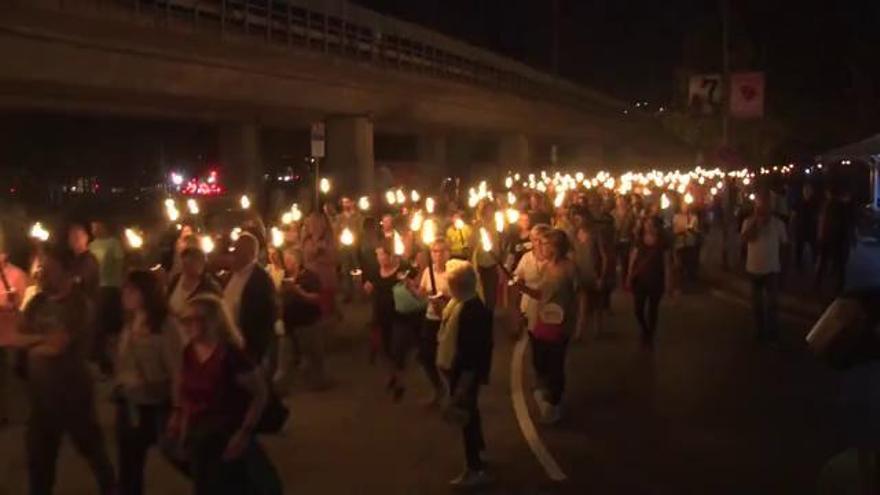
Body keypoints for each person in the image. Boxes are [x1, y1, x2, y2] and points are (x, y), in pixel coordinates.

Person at [6, 243, 117, 495]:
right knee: (39, 465)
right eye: (42, 267)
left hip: (74, 396)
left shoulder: (79, 304)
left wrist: (32, 340)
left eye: (50, 268)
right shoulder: (36, 302)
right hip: (41, 400)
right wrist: (40, 340)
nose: (42, 273)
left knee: (94, 453)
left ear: (66, 272)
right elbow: (12, 337)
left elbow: (57, 345)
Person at [170, 295, 281, 495]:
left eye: (195, 319)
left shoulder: (230, 355)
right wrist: (182, 429)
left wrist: (243, 433)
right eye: (185, 319)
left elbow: (260, 393)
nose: (187, 325)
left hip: (227, 433)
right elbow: (187, 395)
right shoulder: (188, 353)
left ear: (213, 321)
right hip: (200, 437)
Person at [115, 270, 182, 495]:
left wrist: (177, 410)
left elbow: (177, 370)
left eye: (131, 290)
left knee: (179, 456)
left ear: (146, 293)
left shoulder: (165, 326)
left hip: (155, 404)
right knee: (129, 467)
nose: (125, 294)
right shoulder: (130, 322)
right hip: (130, 403)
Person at [436, 261, 493, 488]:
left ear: (457, 286)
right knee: (471, 414)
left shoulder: (473, 313)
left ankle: (474, 468)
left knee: (465, 419)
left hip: (465, 375)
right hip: (461, 373)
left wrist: (462, 386)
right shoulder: (461, 304)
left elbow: (471, 353)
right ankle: (479, 452)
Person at [515, 229, 577, 424]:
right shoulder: (546, 267)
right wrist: (521, 288)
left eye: (545, 244)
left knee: (555, 364)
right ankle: (546, 395)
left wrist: (580, 323)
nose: (541, 247)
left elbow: (580, 296)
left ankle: (555, 402)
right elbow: (540, 294)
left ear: (556, 247)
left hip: (561, 322)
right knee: (541, 360)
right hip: (542, 320)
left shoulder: (569, 268)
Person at [363, 242, 413, 400]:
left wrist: (407, 283)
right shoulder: (375, 271)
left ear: (391, 255)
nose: (380, 259)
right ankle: (392, 376)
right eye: (378, 255)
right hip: (381, 315)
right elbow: (369, 287)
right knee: (385, 348)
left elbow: (413, 285)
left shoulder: (402, 270)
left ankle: (400, 383)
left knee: (397, 348)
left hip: (399, 315)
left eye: (383, 255)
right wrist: (365, 287)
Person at [223, 233, 277, 366]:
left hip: (247, 346)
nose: (233, 254)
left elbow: (265, 317)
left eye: (237, 250)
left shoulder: (260, 280)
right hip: (228, 343)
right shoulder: (231, 275)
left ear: (249, 253)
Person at [741, 192, 788, 343]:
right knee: (757, 304)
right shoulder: (749, 222)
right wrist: (756, 222)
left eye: (766, 206)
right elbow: (745, 239)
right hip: (754, 269)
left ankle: (773, 332)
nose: (763, 209)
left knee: (772, 304)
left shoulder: (778, 224)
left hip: (772, 269)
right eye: (760, 206)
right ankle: (759, 331)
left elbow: (784, 246)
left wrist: (784, 267)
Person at [276, 248, 325, 391]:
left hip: (307, 322)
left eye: (289, 259)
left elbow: (316, 298)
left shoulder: (309, 277)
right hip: (290, 323)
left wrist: (298, 291)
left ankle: (316, 382)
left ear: (297, 261)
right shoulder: (284, 276)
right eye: (285, 260)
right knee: (286, 357)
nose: (287, 263)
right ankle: (283, 386)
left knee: (312, 354)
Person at [627, 216, 673, 348]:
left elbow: (667, 263)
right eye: (646, 224)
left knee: (653, 309)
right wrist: (629, 274)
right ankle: (645, 329)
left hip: (656, 280)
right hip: (640, 279)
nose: (648, 226)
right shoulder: (639, 239)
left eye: (651, 224)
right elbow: (633, 257)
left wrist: (668, 282)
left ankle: (650, 334)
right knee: (638, 309)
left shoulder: (663, 242)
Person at [415, 238, 451, 406]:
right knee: (425, 357)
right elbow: (421, 293)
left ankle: (453, 393)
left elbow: (462, 296)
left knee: (446, 360)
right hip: (431, 318)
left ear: (448, 253)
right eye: (434, 251)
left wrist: (443, 297)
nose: (437, 255)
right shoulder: (428, 272)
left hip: (448, 321)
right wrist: (410, 287)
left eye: (441, 251)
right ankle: (438, 388)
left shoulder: (453, 273)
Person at [89, 220, 125, 376]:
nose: (94, 229)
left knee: (111, 329)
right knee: (98, 327)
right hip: (97, 289)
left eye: (97, 226)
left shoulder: (113, 243)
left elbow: (120, 264)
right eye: (92, 227)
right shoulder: (92, 245)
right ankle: (103, 364)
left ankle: (116, 363)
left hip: (111, 288)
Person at [0, 248, 28, 427]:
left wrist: (12, 300)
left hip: (8, 334)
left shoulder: (17, 274)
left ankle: (4, 414)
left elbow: (18, 303)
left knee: (5, 377)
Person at [571, 220, 608, 340]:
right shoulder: (573, 235)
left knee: (597, 304)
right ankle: (579, 333)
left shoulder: (595, 235)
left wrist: (602, 275)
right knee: (582, 305)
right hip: (580, 274)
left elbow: (604, 256)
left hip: (594, 274)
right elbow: (571, 254)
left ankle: (598, 329)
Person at [513, 225, 551, 337]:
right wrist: (517, 280)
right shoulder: (526, 257)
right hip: (528, 304)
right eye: (535, 240)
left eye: (542, 240)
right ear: (531, 240)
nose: (538, 243)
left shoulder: (552, 259)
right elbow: (518, 275)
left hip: (546, 303)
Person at [302, 212, 339, 320]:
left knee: (326, 306)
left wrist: (320, 253)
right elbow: (307, 256)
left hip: (326, 277)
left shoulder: (329, 238)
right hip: (313, 278)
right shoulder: (307, 239)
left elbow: (333, 256)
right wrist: (315, 251)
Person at [167, 247, 221, 319]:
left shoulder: (209, 286)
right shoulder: (176, 280)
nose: (188, 267)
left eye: (193, 262)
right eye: (186, 264)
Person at [336, 197, 364, 302]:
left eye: (347, 202)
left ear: (352, 203)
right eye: (343, 202)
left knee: (357, 270)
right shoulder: (339, 218)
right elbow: (336, 231)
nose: (345, 204)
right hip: (344, 248)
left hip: (355, 248)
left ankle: (359, 293)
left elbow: (361, 230)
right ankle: (347, 294)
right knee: (345, 271)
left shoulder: (358, 217)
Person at [672, 199, 700, 288]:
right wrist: (681, 231)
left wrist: (692, 230)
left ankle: (689, 282)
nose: (685, 207)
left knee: (689, 263)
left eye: (686, 205)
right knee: (679, 265)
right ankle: (680, 284)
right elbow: (674, 230)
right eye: (683, 205)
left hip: (690, 243)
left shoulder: (694, 218)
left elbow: (696, 230)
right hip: (679, 244)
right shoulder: (676, 217)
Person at [67, 223, 99, 301]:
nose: (74, 239)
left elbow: (78, 281)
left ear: (86, 238)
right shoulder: (71, 259)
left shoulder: (89, 260)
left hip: (84, 306)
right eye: (72, 236)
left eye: (78, 237)